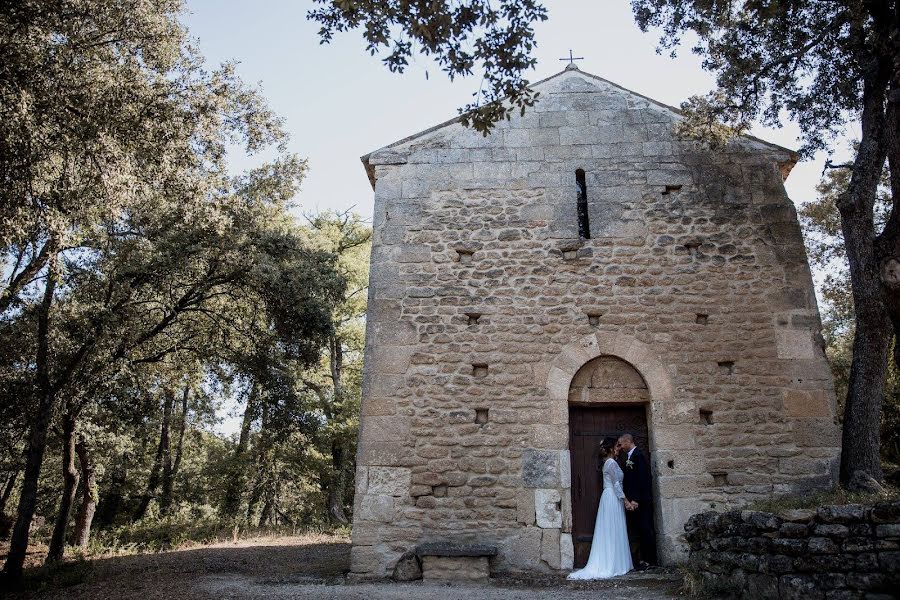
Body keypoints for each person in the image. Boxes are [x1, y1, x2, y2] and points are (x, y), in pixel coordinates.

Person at [567, 437, 633, 580]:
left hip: (611, 497)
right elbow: (616, 485)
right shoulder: (610, 463)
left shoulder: (609, 462)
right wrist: (626, 501)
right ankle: (612, 563)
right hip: (612, 497)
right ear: (610, 449)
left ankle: (616, 561)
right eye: (616, 446)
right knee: (612, 529)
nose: (618, 449)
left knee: (612, 529)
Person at [617, 433, 658, 569]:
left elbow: (642, 479)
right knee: (639, 530)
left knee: (645, 529)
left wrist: (636, 499)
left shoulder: (638, 456)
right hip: (635, 501)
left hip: (640, 502)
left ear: (628, 441)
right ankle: (642, 560)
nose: (620, 446)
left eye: (621, 443)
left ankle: (650, 561)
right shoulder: (630, 456)